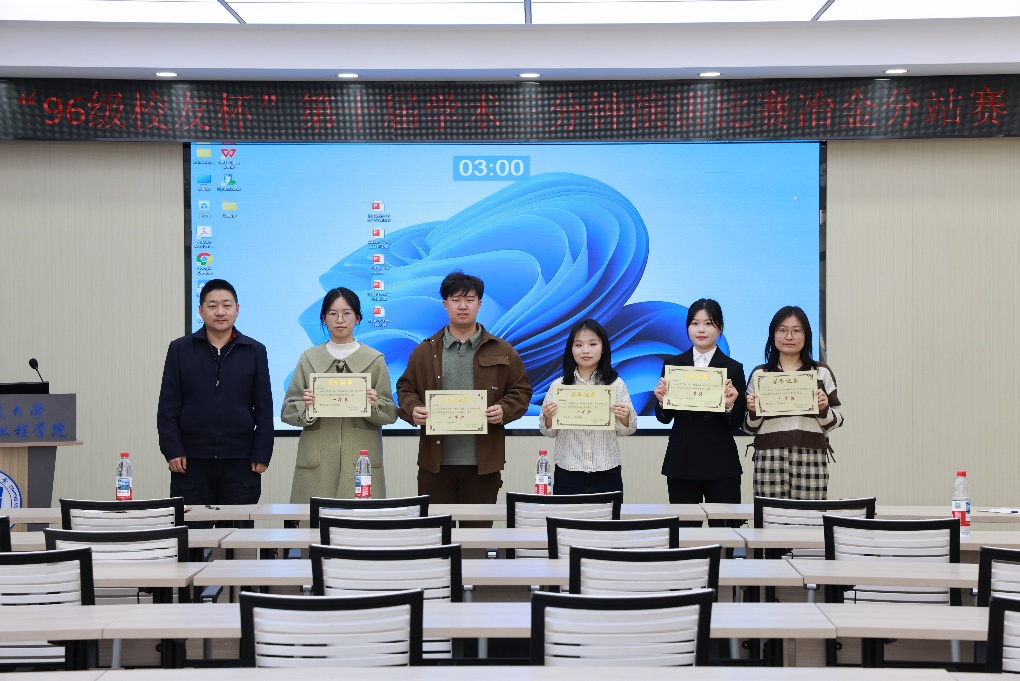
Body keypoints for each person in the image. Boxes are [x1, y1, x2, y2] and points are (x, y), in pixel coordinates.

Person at [396, 271, 532, 507]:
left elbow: (521, 390)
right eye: (456, 299)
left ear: (479, 304)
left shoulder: (502, 350)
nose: (462, 306)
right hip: (435, 465)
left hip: (483, 465)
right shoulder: (424, 351)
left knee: (478, 529)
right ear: (445, 304)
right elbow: (405, 388)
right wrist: (413, 409)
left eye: (469, 300)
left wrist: (504, 409)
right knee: (438, 527)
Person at [157, 279, 273, 510]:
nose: (220, 312)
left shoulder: (254, 351)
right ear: (201, 311)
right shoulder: (180, 349)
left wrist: (262, 452)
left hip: (241, 460)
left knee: (237, 528)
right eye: (212, 306)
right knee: (193, 529)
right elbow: (168, 407)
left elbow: (264, 408)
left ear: (237, 309)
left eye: (226, 305)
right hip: (190, 460)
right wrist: (172, 450)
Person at [282, 287, 397, 502]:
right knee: (314, 519)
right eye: (333, 313)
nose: (340, 319)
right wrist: (307, 407)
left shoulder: (374, 360)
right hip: (317, 462)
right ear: (324, 318)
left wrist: (373, 405)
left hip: (360, 460)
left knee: (359, 520)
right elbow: (288, 409)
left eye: (347, 313)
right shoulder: (309, 358)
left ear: (358, 318)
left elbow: (390, 412)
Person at [653, 299, 745, 525]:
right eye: (695, 323)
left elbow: (736, 422)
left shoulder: (733, 368)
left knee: (725, 530)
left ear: (720, 328)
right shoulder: (673, 365)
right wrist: (662, 402)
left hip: (721, 463)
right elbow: (664, 418)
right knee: (685, 531)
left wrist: (729, 406)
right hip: (682, 460)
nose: (701, 329)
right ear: (688, 328)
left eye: (708, 323)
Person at [744, 305, 844, 500]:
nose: (789, 337)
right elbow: (748, 427)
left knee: (809, 517)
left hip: (811, 456)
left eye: (797, 330)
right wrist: (754, 411)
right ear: (773, 334)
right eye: (782, 330)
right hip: (769, 457)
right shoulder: (760, 374)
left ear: (806, 335)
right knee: (770, 516)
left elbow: (836, 421)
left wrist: (823, 408)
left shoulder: (821, 372)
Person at [539, 319, 636, 495]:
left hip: (607, 471)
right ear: (571, 349)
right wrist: (548, 417)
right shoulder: (559, 386)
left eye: (593, 344)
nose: (585, 350)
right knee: (567, 515)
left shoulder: (616, 384)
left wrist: (625, 417)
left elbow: (627, 430)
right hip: (568, 471)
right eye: (578, 345)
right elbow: (548, 432)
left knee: (608, 515)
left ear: (603, 348)